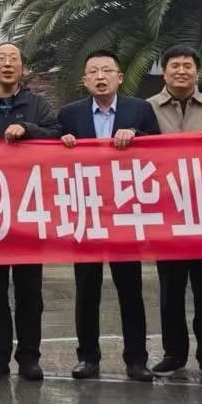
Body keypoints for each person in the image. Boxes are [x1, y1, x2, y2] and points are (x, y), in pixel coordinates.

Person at [58, 50, 161, 382]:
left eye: (107, 70)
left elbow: (161, 150)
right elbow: (51, 154)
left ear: (120, 76)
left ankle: (136, 359)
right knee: (87, 290)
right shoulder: (69, 114)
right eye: (93, 71)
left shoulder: (139, 110)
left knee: (130, 289)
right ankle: (88, 357)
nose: (100, 77)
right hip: (86, 213)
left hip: (125, 213)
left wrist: (137, 137)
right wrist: (62, 142)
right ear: (84, 80)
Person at [0, 41, 57, 382]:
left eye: (13, 59)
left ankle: (29, 357)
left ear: (23, 68)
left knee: (29, 291)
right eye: (1, 58)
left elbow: (57, 136)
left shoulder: (37, 105)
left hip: (29, 210)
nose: (7, 64)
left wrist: (29, 130)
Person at [147, 44, 202, 383]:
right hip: (166, 214)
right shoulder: (146, 109)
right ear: (164, 72)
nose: (181, 71)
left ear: (197, 72)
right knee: (170, 289)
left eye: (188, 65)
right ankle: (173, 354)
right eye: (175, 65)